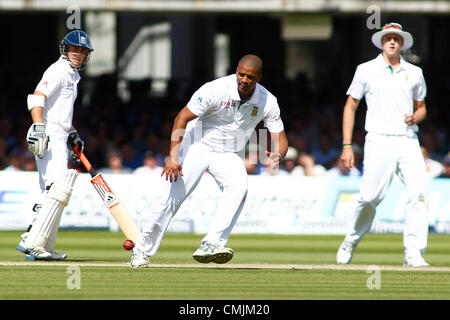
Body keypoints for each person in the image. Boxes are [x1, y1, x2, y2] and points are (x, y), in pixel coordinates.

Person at [130, 54, 288, 267]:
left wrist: (279, 154)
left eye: (250, 77)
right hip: (197, 146)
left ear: (259, 77)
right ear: (236, 71)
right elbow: (181, 118)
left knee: (239, 187)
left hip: (229, 152)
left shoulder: (267, 100)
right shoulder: (215, 89)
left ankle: (212, 243)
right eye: (241, 74)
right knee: (172, 198)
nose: (244, 80)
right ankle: (141, 249)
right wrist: (173, 157)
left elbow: (281, 139)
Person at [336, 23, 430, 267]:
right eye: (388, 38)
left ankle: (413, 252)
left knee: (418, 193)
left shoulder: (414, 72)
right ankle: (351, 240)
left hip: (408, 139)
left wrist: (415, 117)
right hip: (378, 139)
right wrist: (347, 145)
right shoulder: (366, 70)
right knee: (369, 197)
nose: (392, 42)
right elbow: (350, 106)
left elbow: (421, 108)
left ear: (402, 44)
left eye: (396, 39)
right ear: (381, 42)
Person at [16, 30, 93, 261]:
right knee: (57, 188)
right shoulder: (59, 70)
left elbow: (61, 112)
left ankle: (44, 245)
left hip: (59, 133)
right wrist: (39, 127)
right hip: (47, 132)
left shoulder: (72, 75)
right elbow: (37, 97)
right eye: (74, 49)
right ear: (65, 49)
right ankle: (31, 241)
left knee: (53, 190)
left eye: (82, 51)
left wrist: (72, 133)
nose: (78, 54)